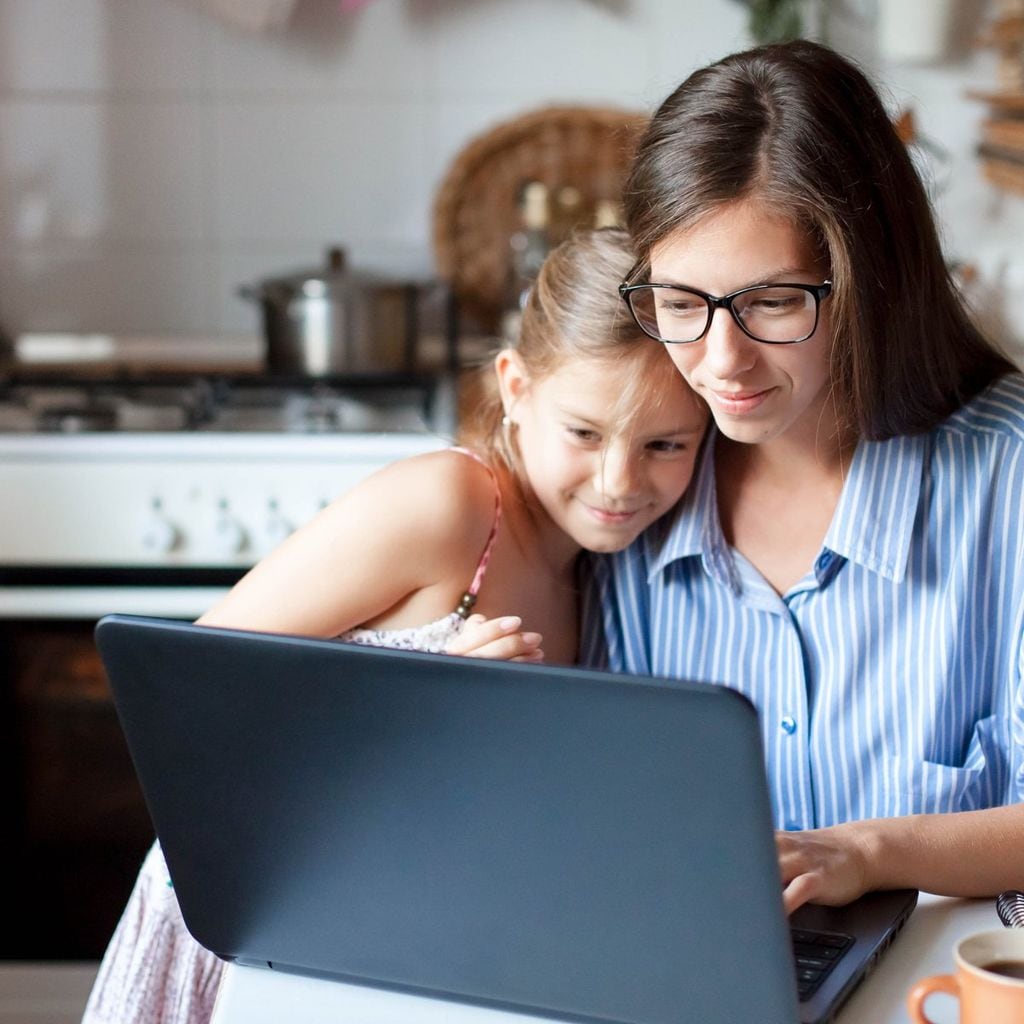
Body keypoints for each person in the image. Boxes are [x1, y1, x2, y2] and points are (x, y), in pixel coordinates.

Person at [80, 227, 709, 1024]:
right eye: (583, 433)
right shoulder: (451, 505)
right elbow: (179, 690)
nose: (620, 482)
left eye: (665, 444)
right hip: (249, 921)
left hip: (382, 934)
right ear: (515, 388)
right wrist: (429, 707)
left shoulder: (601, 572)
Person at [583, 39, 1024, 916]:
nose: (720, 362)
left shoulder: (1006, 479)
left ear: (867, 280)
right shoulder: (626, 480)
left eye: (773, 302)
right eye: (679, 304)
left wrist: (868, 850)